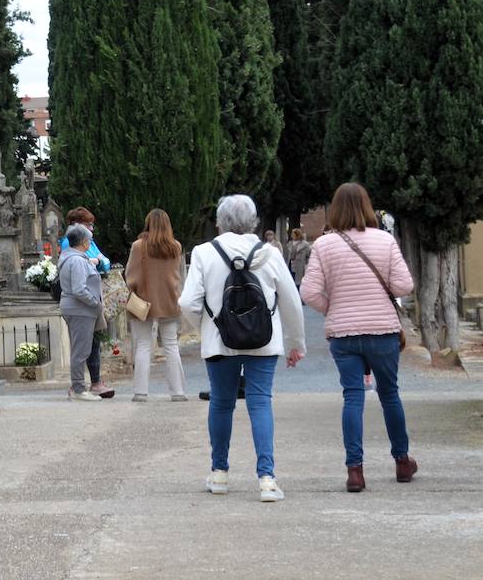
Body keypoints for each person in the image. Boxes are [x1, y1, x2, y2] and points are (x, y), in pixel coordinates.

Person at [179, 195, 305, 503]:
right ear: (254, 222)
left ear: (220, 222)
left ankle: (219, 474)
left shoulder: (204, 252)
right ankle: (267, 479)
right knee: (260, 403)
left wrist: (206, 328)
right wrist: (296, 343)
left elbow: (186, 302)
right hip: (264, 340)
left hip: (220, 342)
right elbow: (290, 300)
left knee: (221, 404)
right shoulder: (269, 253)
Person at [299, 182, 417, 493]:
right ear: (366, 206)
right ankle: (403, 462)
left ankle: (355, 471)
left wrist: (334, 309)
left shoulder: (323, 245)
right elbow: (404, 286)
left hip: (344, 335)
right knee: (389, 394)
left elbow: (308, 292)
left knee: (352, 397)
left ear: (335, 209)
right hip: (383, 332)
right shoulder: (385, 241)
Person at [125, 209, 187, 402]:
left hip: (143, 302)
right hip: (169, 300)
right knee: (171, 346)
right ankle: (177, 392)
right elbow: (180, 276)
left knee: (143, 345)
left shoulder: (138, 246)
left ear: (148, 223)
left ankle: (141, 392)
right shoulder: (175, 247)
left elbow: (130, 275)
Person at [60, 207, 114, 398]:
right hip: (81, 308)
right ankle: (79, 388)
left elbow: (104, 261)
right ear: (82, 241)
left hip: (82, 308)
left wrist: (97, 261)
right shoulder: (76, 259)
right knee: (81, 350)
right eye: (88, 227)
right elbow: (78, 288)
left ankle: (82, 386)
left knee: (85, 347)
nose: (91, 234)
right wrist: (95, 303)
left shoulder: (77, 257)